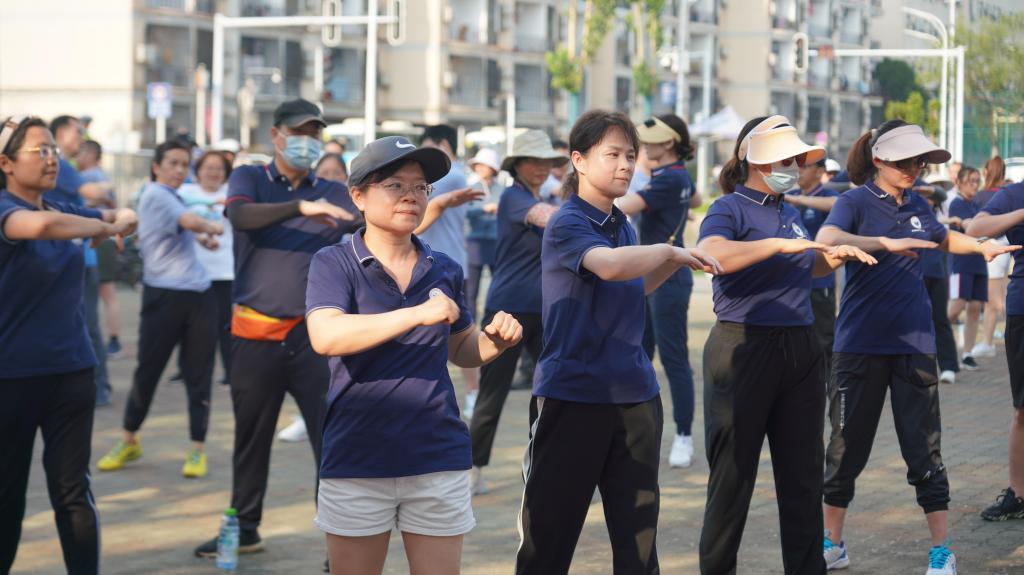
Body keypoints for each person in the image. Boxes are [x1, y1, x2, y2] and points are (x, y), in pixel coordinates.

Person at [515, 109, 721, 575]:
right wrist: (668, 250)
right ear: (579, 160)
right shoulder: (568, 221)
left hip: (635, 397)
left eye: (631, 155)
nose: (626, 165)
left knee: (638, 544)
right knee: (548, 540)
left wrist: (676, 262)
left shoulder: (621, 224)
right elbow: (608, 267)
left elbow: (634, 285)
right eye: (613, 155)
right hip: (572, 395)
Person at [305, 135, 522, 575]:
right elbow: (325, 336)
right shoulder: (334, 262)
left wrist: (494, 341)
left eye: (420, 187)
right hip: (358, 455)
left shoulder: (445, 268)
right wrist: (416, 314)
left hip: (437, 453)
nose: (411, 196)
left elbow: (461, 348)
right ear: (358, 196)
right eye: (395, 185)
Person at [816, 120, 1019, 575]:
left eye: (919, 161)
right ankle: (832, 543)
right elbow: (826, 240)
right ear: (878, 159)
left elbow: (943, 238)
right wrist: (881, 243)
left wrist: (981, 248)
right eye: (905, 161)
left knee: (924, 451)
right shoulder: (853, 202)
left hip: (915, 346)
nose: (914, 168)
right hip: (858, 348)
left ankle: (941, 550)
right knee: (844, 449)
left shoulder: (917, 204)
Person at [695, 115, 873, 575]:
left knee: (802, 479)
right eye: (786, 159)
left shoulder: (788, 213)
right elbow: (712, 255)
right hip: (742, 348)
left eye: (797, 159)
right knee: (732, 481)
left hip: (800, 348)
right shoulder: (728, 208)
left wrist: (830, 258)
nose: (795, 167)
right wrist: (777, 245)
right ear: (756, 160)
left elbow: (804, 266)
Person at [193, 99, 361, 564]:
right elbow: (239, 217)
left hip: (314, 337)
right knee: (251, 437)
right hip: (255, 334)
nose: (307, 141)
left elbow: (374, 221)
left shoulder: (333, 190)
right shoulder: (250, 178)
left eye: (315, 133)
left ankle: (341, 542)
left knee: (331, 439)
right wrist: (299, 207)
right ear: (277, 135)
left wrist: (431, 204)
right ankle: (244, 527)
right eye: (299, 132)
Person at [0, 115, 137, 575]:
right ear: (5, 163)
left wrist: (122, 220)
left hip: (72, 371)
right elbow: (41, 227)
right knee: (7, 495)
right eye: (39, 151)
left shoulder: (62, 207)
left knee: (73, 491)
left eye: (53, 151)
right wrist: (103, 225)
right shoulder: (7, 210)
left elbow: (122, 216)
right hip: (11, 377)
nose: (51, 159)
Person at [95, 139, 223, 478]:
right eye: (173, 163)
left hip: (199, 296)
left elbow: (179, 231)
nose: (180, 170)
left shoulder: (173, 196)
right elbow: (191, 221)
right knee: (148, 372)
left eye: (184, 164)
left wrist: (203, 239)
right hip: (163, 297)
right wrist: (211, 227)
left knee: (199, 375)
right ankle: (129, 440)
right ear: (156, 167)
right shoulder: (156, 194)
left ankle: (197, 449)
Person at [468, 131, 566, 495]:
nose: (541, 168)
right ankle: (472, 469)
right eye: (533, 161)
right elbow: (552, 219)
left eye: (546, 162)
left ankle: (543, 468)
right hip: (506, 311)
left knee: (551, 393)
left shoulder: (544, 197)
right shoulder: (514, 197)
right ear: (517, 165)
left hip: (546, 311)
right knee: (492, 395)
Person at [614, 114, 702, 468]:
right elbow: (695, 199)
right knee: (641, 352)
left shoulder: (667, 178)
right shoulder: (678, 174)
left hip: (667, 276)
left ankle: (683, 436)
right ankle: (636, 429)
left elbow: (623, 205)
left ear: (668, 143)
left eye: (648, 142)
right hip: (653, 273)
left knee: (673, 358)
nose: (642, 148)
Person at [966, 181, 1024, 521]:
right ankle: (1018, 493)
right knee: (1023, 410)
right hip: (1022, 310)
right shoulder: (1015, 194)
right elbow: (976, 228)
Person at [49, 116, 116, 408]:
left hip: (80, 258)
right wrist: (104, 187)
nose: (82, 138)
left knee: (87, 324)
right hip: (65, 259)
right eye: (78, 132)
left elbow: (86, 204)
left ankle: (99, 387)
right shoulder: (61, 165)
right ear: (61, 133)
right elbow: (92, 195)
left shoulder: (66, 167)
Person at [177, 151, 234, 384]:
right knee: (189, 326)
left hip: (225, 271)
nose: (213, 172)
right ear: (198, 171)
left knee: (226, 326)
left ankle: (230, 373)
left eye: (219, 168)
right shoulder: (184, 193)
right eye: (208, 167)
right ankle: (186, 371)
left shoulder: (232, 194)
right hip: (191, 271)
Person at [462, 148, 502, 419]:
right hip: (475, 243)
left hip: (494, 242)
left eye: (485, 165)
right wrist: (483, 209)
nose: (481, 169)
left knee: (496, 289)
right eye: (479, 165)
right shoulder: (472, 187)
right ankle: (470, 327)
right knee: (471, 292)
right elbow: (466, 212)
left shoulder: (500, 189)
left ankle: (493, 323)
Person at [76, 140, 124, 361]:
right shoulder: (102, 175)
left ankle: (111, 341)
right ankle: (113, 340)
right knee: (108, 293)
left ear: (91, 154)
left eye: (82, 151)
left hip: (98, 239)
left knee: (104, 293)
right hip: (105, 238)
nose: (78, 156)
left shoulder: (88, 177)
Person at [946, 166, 986, 370]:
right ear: (959, 183)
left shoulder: (976, 204)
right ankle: (935, 344)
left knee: (975, 308)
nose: (975, 185)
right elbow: (970, 227)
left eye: (977, 180)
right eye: (971, 181)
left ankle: (967, 354)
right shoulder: (957, 203)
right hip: (961, 263)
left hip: (979, 261)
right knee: (956, 307)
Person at [919, 188, 961, 385]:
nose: (927, 199)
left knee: (940, 320)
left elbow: (941, 196)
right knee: (916, 322)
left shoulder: (937, 213)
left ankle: (949, 366)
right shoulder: (910, 210)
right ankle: (920, 367)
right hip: (916, 274)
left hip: (937, 273)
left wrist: (926, 189)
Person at [974, 156, 1011, 359]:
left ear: (986, 172)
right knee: (993, 301)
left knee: (995, 300)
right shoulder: (1006, 194)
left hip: (991, 249)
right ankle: (987, 342)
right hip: (1003, 248)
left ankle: (988, 342)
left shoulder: (982, 196)